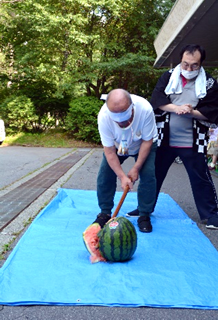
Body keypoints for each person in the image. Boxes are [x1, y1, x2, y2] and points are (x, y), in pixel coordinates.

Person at [127, 44, 218, 229]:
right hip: (164, 137)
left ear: (201, 64)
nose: (189, 69)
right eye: (185, 64)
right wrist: (177, 108)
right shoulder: (168, 76)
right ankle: (144, 208)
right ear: (180, 61)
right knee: (153, 175)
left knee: (200, 177)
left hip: (193, 140)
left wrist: (191, 111)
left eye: (194, 65)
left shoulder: (209, 83)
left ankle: (211, 214)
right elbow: (157, 101)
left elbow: (213, 110)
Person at [92, 89, 158, 233]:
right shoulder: (103, 116)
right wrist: (122, 176)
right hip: (119, 145)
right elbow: (109, 151)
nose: (122, 123)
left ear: (131, 106)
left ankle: (144, 214)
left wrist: (136, 167)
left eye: (126, 119)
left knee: (148, 175)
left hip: (143, 143)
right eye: (118, 120)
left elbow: (148, 141)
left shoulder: (145, 108)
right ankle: (105, 213)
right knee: (105, 175)